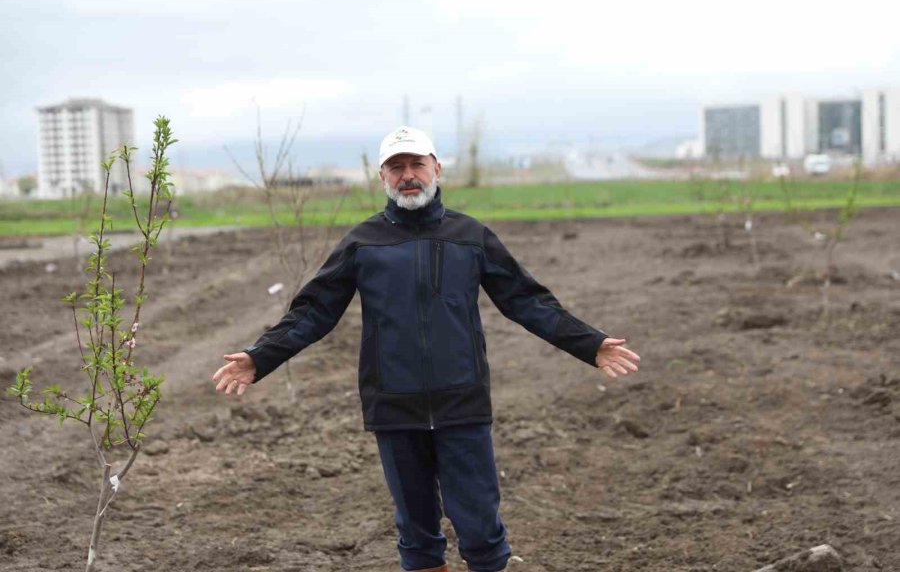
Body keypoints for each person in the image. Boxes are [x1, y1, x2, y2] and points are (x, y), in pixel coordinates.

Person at [212, 126, 641, 572]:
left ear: (436, 168)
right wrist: (261, 356)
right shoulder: (362, 243)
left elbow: (526, 300)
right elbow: (313, 311)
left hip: (462, 404)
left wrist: (590, 344)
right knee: (416, 534)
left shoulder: (470, 236)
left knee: (481, 529)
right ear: (382, 176)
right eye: (396, 167)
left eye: (417, 164)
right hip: (394, 407)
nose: (408, 175)